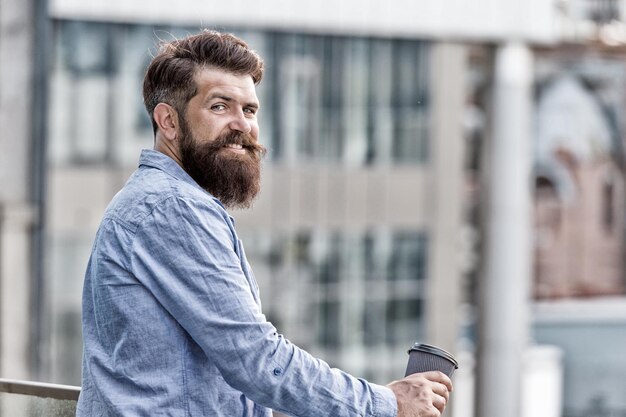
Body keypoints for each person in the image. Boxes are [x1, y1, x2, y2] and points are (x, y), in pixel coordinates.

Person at [77, 29, 453, 417]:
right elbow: (255, 359)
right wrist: (388, 403)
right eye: (220, 106)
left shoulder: (160, 200)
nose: (243, 125)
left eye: (250, 110)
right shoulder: (172, 207)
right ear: (168, 121)